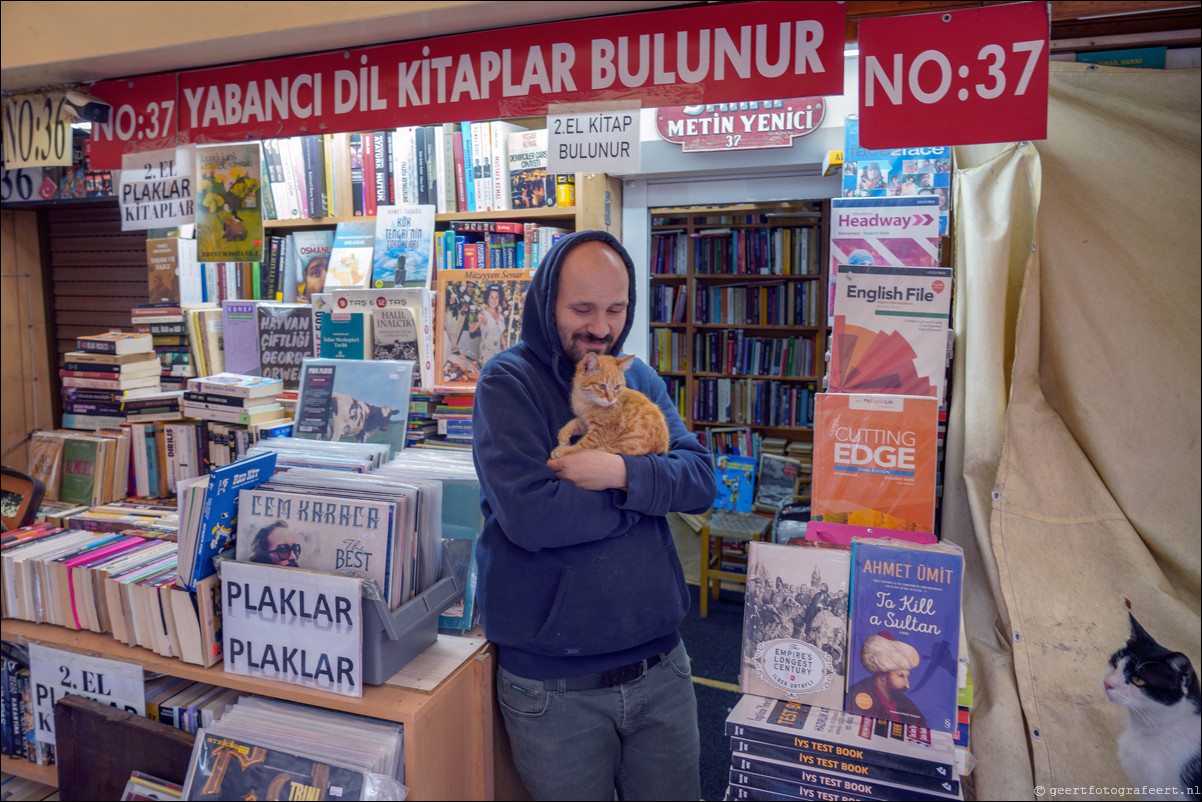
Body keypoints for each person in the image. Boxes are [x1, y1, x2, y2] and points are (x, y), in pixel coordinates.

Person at [471, 230, 716, 801]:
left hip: (662, 665)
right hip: (553, 685)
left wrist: (619, 475)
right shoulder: (506, 383)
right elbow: (535, 519)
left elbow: (701, 482)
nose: (601, 327)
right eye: (582, 309)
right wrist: (651, 494)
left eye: (616, 309)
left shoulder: (636, 377)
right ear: (546, 300)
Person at [847, 631, 927, 726]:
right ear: (883, 676)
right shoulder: (855, 695)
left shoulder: (904, 703)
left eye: (907, 677)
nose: (907, 685)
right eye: (901, 676)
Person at [476, 284, 506, 366]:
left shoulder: (500, 315)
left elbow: (501, 333)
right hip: (486, 354)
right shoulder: (483, 313)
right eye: (491, 297)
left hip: (498, 353)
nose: (494, 300)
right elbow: (472, 329)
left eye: (496, 297)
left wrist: (506, 348)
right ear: (487, 298)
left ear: (499, 299)